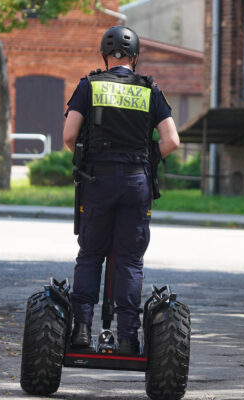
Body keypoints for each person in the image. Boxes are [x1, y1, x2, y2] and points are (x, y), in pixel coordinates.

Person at [62, 25, 180, 354]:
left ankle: (82, 331)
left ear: (105, 55)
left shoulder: (90, 85)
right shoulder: (149, 89)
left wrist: (87, 159)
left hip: (97, 181)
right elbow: (172, 140)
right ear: (135, 58)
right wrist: (148, 159)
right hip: (136, 181)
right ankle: (128, 337)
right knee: (129, 261)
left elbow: (69, 135)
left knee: (90, 256)